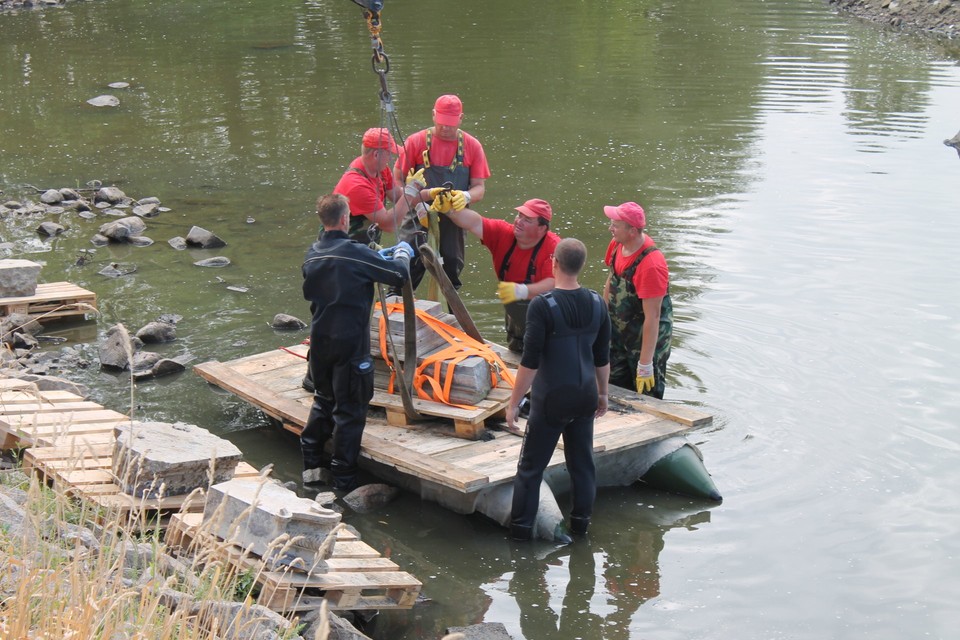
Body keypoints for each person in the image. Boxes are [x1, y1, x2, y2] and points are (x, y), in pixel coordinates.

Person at [300, 193, 413, 491]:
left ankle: (311, 465)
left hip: (321, 343)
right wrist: (401, 252)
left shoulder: (312, 253)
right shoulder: (356, 254)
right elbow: (399, 275)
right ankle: (343, 479)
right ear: (345, 219)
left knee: (324, 400)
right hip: (350, 346)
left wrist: (379, 257)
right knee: (351, 410)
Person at [505, 238, 611, 540]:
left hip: (551, 399)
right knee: (582, 465)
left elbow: (530, 361)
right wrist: (602, 394)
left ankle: (521, 536)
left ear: (554, 262)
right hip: (585, 396)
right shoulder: (596, 303)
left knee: (530, 469)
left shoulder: (542, 305)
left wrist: (513, 402)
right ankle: (581, 526)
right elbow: (602, 357)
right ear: (582, 265)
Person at [437, 197, 560, 353]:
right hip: (516, 306)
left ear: (542, 228)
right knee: (517, 346)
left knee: (546, 349)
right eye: (519, 216)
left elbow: (555, 283)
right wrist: (449, 210)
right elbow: (474, 222)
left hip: (548, 312)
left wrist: (521, 291)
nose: (519, 222)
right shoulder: (503, 233)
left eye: (527, 220)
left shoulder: (554, 247)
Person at [393, 94, 491, 289]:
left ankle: (452, 313)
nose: (445, 128)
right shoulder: (415, 142)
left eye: (451, 124)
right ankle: (396, 303)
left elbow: (479, 188)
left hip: (453, 217)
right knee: (405, 264)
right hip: (417, 213)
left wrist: (465, 196)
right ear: (433, 115)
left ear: (461, 119)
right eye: (441, 123)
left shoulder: (472, 146)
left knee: (451, 268)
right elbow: (396, 182)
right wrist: (414, 197)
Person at [602, 201, 673, 399]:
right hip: (619, 332)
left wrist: (645, 364)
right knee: (612, 386)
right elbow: (610, 280)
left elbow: (653, 317)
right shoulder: (617, 244)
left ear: (632, 230)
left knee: (646, 394)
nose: (610, 229)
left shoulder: (651, 264)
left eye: (615, 225)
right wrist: (601, 318)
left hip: (646, 339)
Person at [333, 127, 425, 245]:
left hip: (363, 245)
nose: (391, 158)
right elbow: (388, 225)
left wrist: (428, 197)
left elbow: (398, 196)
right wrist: (411, 191)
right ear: (376, 155)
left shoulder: (380, 170)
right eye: (389, 154)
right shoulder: (357, 185)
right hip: (343, 249)